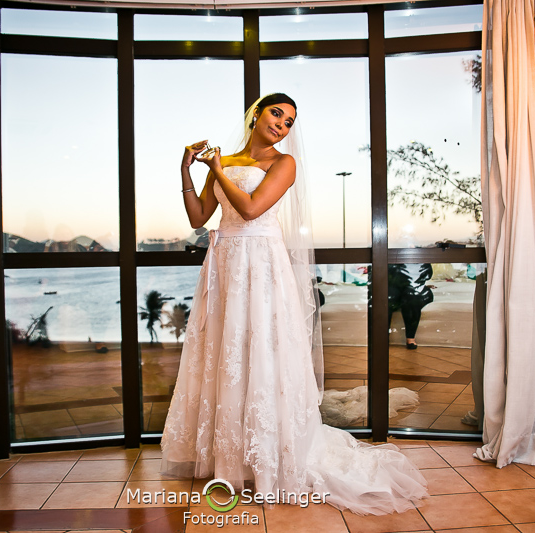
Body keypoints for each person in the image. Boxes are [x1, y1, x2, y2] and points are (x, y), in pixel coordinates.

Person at [159, 93, 428, 515]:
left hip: (262, 265)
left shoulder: (284, 164)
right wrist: (187, 172)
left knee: (265, 352)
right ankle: (233, 458)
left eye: (288, 123)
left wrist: (216, 169)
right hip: (226, 265)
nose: (282, 126)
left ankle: (272, 454)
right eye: (276, 115)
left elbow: (249, 209)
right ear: (256, 114)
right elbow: (198, 218)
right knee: (228, 355)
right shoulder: (224, 161)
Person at [388, 263, 435, 350]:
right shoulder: (393, 262)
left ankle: (410, 337)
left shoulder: (422, 261)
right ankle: (383, 337)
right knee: (385, 299)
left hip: (414, 289)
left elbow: (426, 275)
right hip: (395, 288)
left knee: (411, 298)